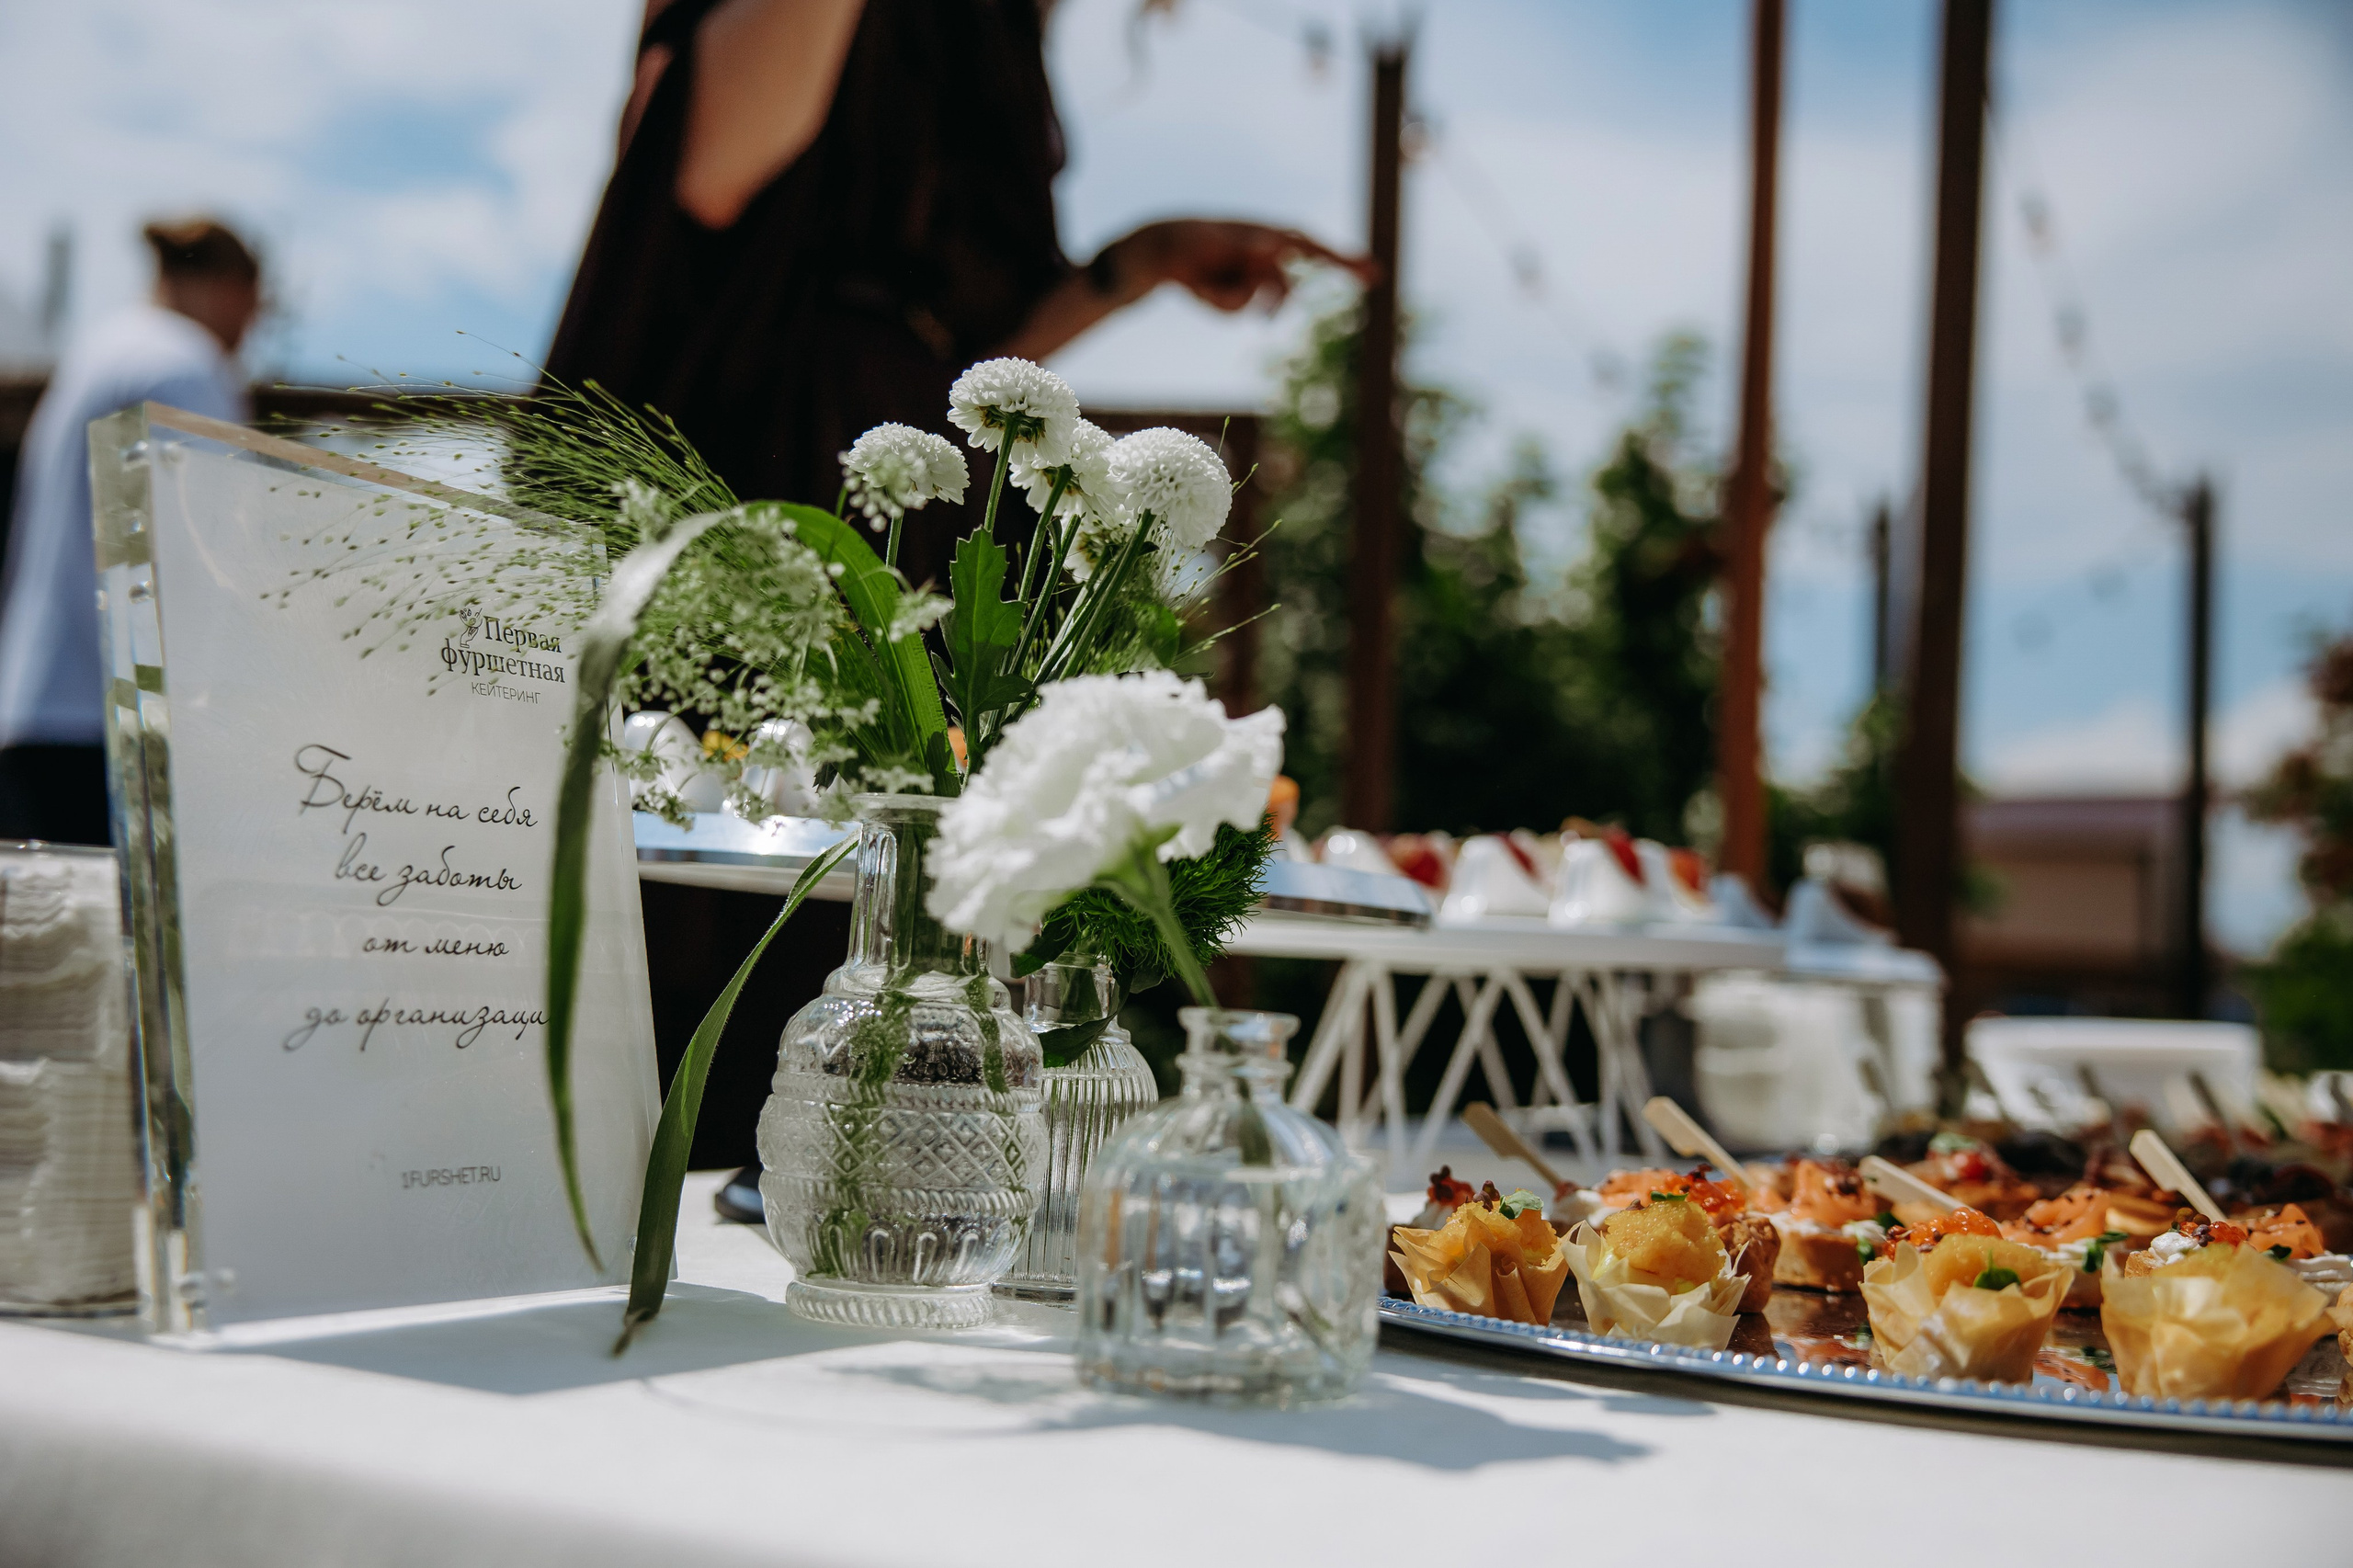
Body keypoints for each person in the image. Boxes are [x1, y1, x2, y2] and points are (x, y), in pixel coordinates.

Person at [545, 0, 1367, 586]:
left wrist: (1141, 261)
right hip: (737, 470)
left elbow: (968, 353)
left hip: (920, 508)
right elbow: (708, 168)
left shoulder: (1004, 24)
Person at [0, 219, 260, 846]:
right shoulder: (183, 368)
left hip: (39, 708)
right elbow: (195, 561)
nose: (246, 334)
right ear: (228, 287)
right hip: (115, 731)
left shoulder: (102, 353)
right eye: (252, 311)